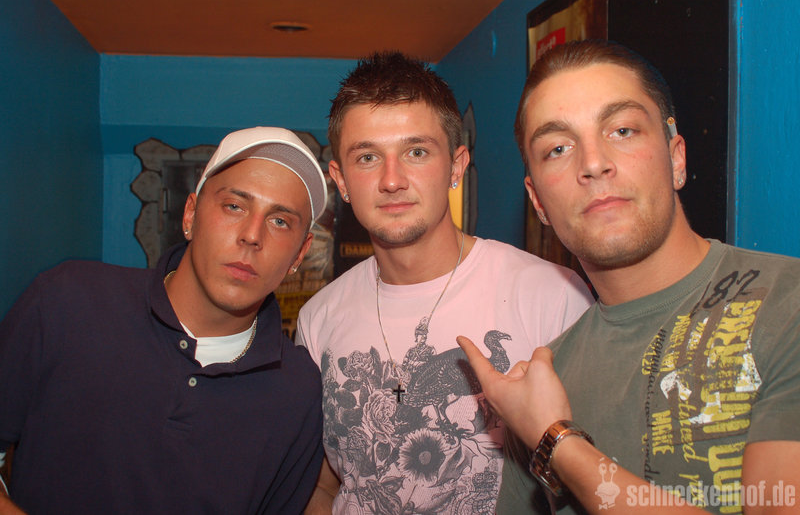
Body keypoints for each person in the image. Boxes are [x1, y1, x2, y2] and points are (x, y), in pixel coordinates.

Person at [458, 40, 800, 514]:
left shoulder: (786, 303)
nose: (593, 163)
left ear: (676, 158)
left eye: (622, 130)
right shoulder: (540, 385)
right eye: (558, 148)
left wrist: (557, 441)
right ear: (538, 203)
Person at [296, 51, 594, 514]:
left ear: (456, 166)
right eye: (368, 157)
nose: (392, 180)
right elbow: (322, 486)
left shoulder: (552, 295)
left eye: (416, 152)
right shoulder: (318, 317)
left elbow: (593, 474)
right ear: (341, 180)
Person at [0, 127, 328, 514]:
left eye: (280, 221)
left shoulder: (298, 392)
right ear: (190, 214)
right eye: (234, 206)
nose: (252, 235)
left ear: (299, 255)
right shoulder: (68, 300)